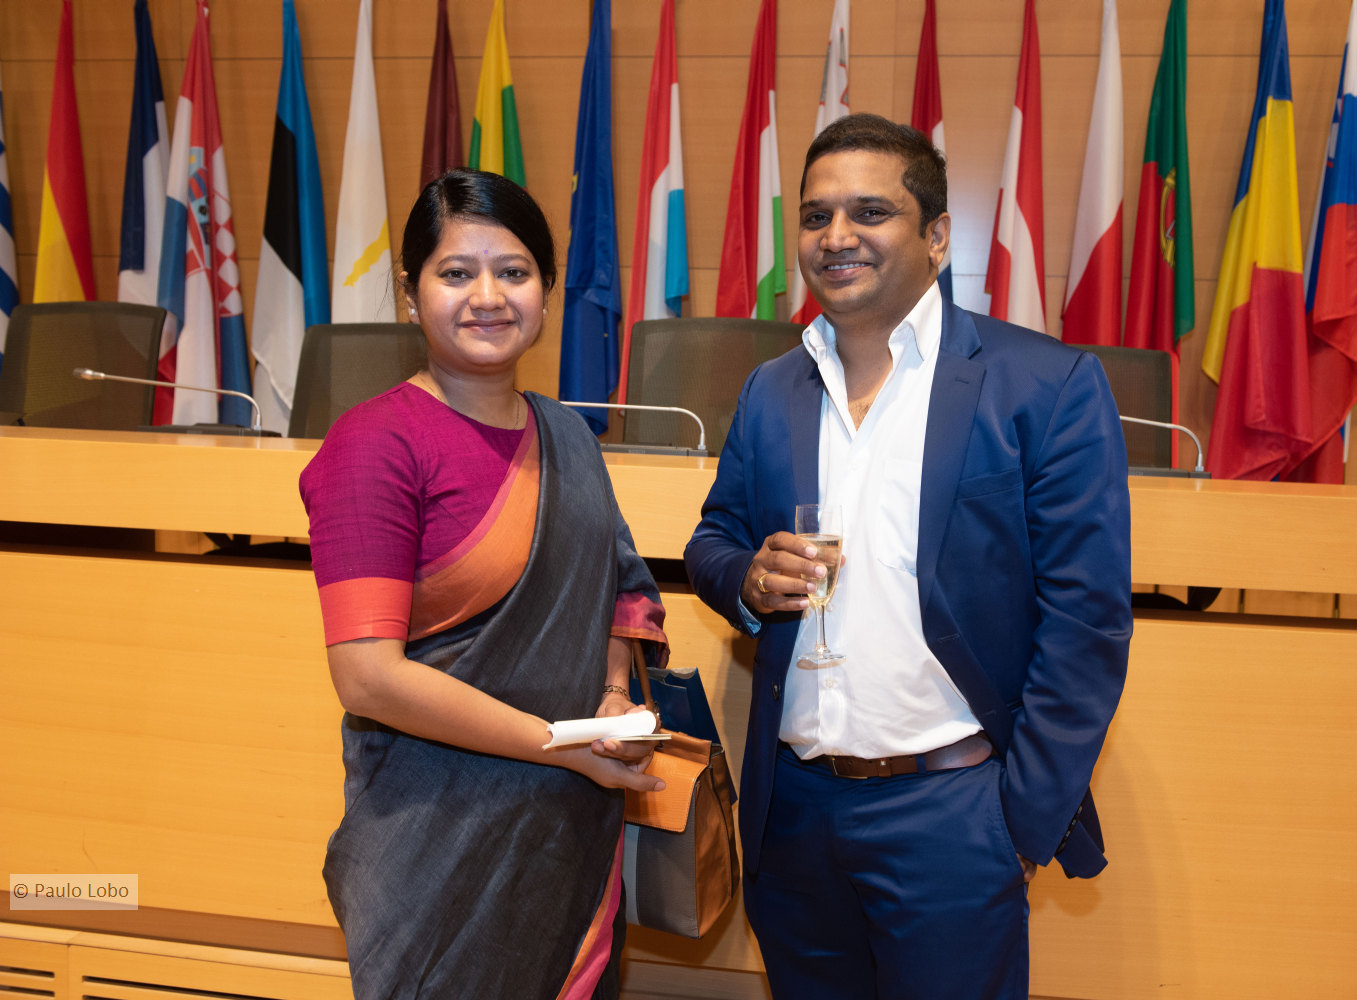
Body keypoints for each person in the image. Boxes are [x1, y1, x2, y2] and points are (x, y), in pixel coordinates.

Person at [684, 114, 1131, 999]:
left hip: (953, 814)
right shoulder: (771, 390)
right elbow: (713, 540)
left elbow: (1086, 625)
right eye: (816, 217)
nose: (836, 237)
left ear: (936, 236)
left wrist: (1014, 820)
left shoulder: (1044, 385)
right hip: (793, 815)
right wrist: (748, 580)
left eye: (869, 212)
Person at [299, 169, 668, 999]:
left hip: (570, 835)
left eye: (514, 271)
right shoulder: (376, 443)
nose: (488, 297)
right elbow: (367, 675)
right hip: (437, 844)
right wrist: (559, 744)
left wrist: (613, 697)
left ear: (547, 290)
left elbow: (620, 588)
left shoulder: (568, 435)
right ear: (411, 293)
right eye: (457, 273)